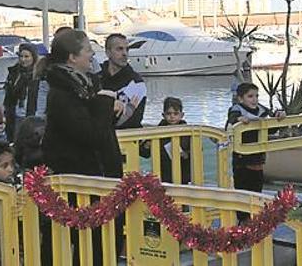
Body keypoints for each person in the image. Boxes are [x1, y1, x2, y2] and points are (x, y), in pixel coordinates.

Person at [41, 29, 122, 265]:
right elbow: (89, 134)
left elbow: (97, 127)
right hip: (82, 181)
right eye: (87, 50)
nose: (92, 54)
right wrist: (106, 103)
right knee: (90, 244)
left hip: (97, 178)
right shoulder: (62, 94)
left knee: (101, 243)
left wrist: (110, 110)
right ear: (72, 57)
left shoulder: (83, 86)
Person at [226, 83, 284, 219]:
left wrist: (279, 116)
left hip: (258, 158)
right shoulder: (236, 109)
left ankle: (256, 218)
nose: (254, 99)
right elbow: (232, 118)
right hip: (242, 159)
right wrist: (239, 119)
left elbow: (271, 125)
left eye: (256, 96)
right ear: (240, 99)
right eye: (250, 96)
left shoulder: (261, 110)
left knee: (257, 189)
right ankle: (243, 220)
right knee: (242, 191)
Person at [139, 97, 192, 184]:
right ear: (163, 115)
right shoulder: (156, 132)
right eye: (169, 113)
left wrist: (187, 155)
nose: (172, 116)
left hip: (183, 172)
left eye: (176, 113)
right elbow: (144, 153)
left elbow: (196, 151)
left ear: (182, 115)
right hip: (162, 172)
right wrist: (146, 145)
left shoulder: (188, 132)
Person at [99, 34, 146, 129]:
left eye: (127, 49)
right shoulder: (96, 77)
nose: (125, 53)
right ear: (108, 52)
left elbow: (131, 120)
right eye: (119, 49)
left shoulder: (136, 83)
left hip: (127, 137)